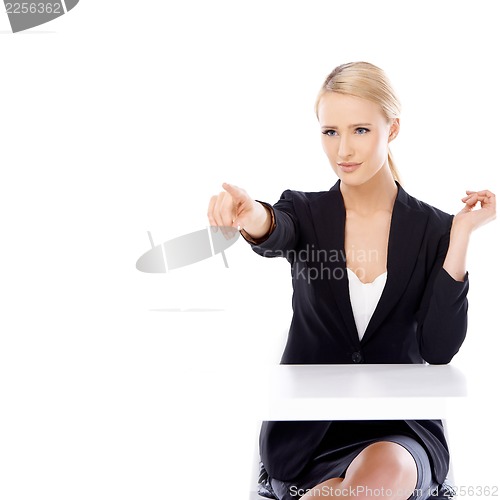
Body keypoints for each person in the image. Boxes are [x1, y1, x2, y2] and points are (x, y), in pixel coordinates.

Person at [207, 62, 496, 499]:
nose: (343, 148)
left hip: (401, 429)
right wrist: (254, 218)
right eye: (330, 132)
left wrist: (459, 239)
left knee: (384, 473)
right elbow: (276, 229)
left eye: (360, 130)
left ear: (392, 129)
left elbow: (439, 350)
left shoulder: (433, 229)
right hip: (309, 433)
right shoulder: (305, 212)